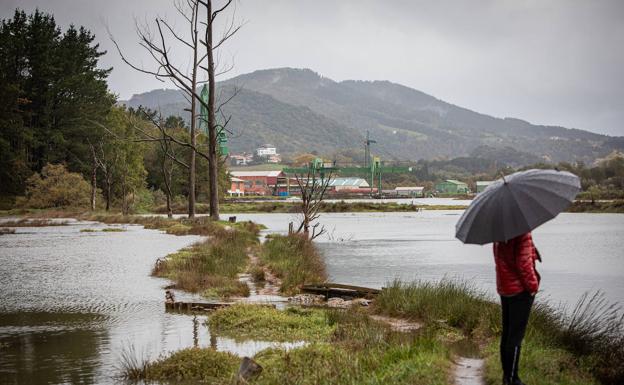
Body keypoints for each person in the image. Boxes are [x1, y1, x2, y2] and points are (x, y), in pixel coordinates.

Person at [494, 232, 541, 385]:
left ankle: (507, 377)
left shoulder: (500, 231)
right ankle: (513, 379)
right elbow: (524, 265)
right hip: (520, 291)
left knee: (508, 334)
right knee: (515, 336)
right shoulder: (522, 232)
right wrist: (533, 287)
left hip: (505, 288)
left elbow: (501, 258)